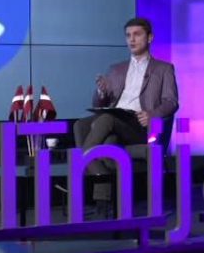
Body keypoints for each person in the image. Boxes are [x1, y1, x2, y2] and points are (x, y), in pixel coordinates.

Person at [73, 17, 178, 204]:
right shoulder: (116, 69)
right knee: (87, 129)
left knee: (106, 120)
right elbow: (98, 103)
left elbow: (171, 102)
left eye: (137, 34)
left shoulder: (164, 69)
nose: (132, 39)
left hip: (139, 125)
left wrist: (152, 115)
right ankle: (106, 199)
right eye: (128, 35)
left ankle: (87, 168)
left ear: (150, 37)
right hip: (115, 122)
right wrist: (102, 92)